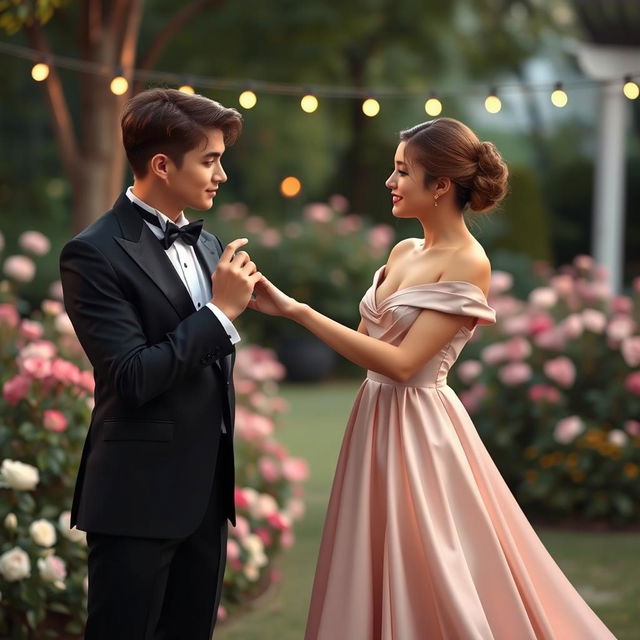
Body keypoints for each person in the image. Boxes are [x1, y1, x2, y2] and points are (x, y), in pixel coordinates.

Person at [250, 118, 616, 639]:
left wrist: (299, 313)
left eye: (403, 171)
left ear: (441, 185)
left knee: (435, 566)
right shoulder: (402, 252)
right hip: (374, 417)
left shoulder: (469, 262)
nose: (390, 182)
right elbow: (367, 345)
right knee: (373, 555)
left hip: (421, 428)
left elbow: (400, 364)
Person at [60, 88, 261, 639]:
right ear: (162, 165)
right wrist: (220, 313)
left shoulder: (208, 244)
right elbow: (131, 376)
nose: (221, 174)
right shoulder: (92, 252)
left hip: (205, 498)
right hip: (136, 499)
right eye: (210, 160)